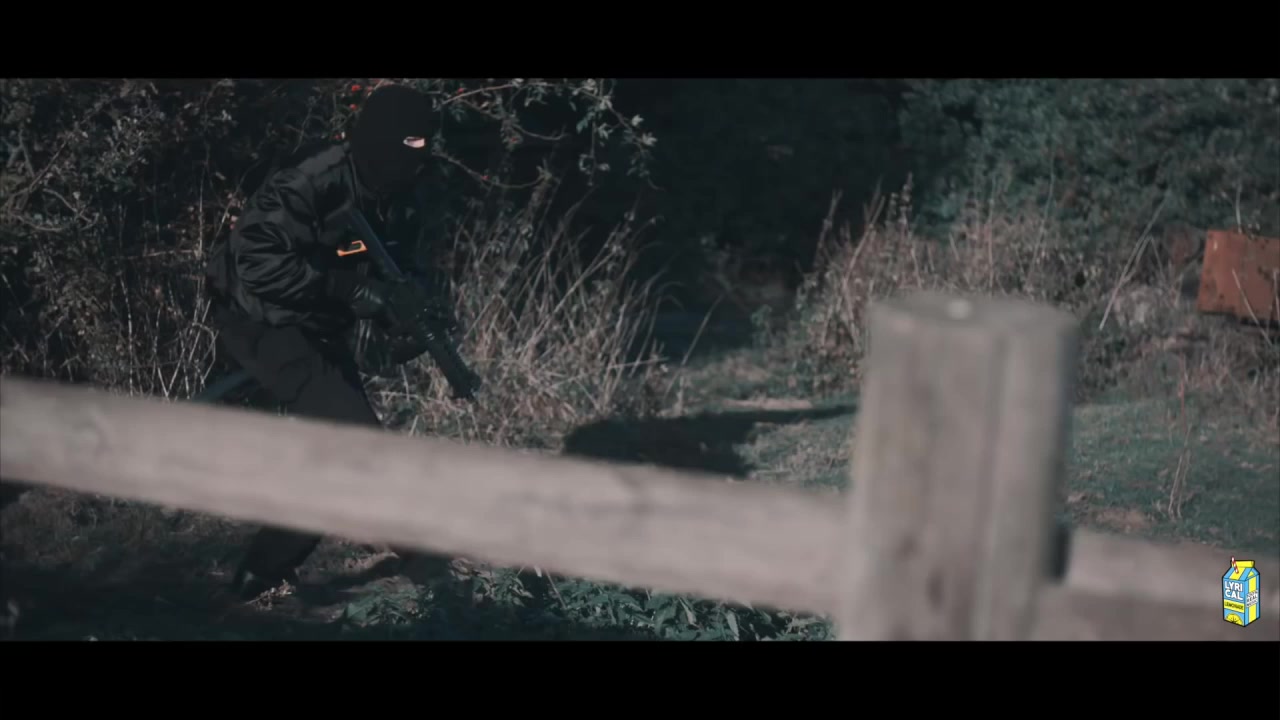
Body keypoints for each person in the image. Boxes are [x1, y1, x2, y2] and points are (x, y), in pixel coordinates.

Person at [204, 83, 446, 600]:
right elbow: (256, 261)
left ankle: (416, 552)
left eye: (421, 151)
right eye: (405, 149)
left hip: (316, 319)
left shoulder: (405, 189)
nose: (413, 164)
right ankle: (260, 577)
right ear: (378, 142)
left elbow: (400, 263)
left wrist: (407, 312)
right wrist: (348, 289)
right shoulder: (312, 179)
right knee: (353, 439)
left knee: (351, 437)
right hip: (258, 316)